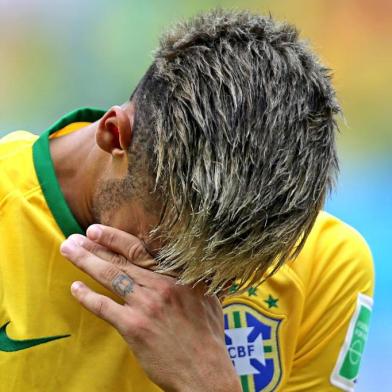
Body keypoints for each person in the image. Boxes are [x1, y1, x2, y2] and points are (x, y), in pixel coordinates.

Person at [0, 9, 373, 392]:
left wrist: (209, 383)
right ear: (115, 137)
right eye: (170, 256)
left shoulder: (326, 267)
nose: (193, 294)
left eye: (230, 279)